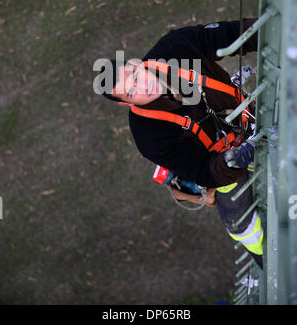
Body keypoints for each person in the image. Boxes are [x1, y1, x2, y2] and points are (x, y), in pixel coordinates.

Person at [97, 18, 263, 269]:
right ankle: (272, 262)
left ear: (134, 64)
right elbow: (203, 171)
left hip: (252, 116)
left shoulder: (175, 49)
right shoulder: (150, 137)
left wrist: (278, 32)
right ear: (126, 103)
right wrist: (237, 160)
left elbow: (234, 34)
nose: (143, 85)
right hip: (227, 166)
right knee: (243, 228)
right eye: (131, 92)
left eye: (134, 75)